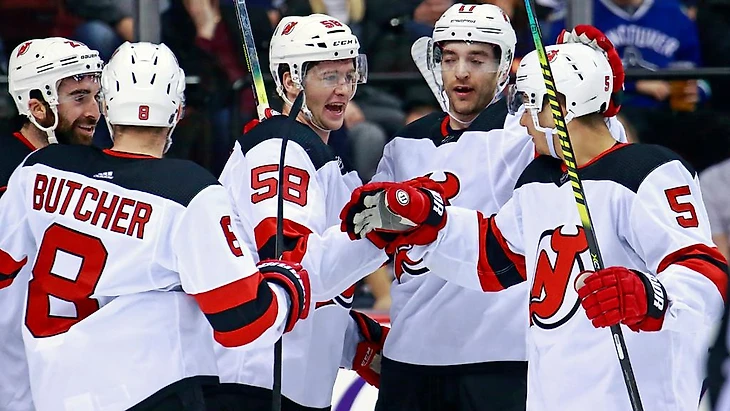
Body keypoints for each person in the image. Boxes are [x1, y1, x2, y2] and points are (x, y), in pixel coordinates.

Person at [343, 41, 727, 410]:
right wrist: (428, 220)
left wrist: (649, 295)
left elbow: (706, 273)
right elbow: (492, 255)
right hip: (554, 394)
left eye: (530, 105)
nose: (524, 120)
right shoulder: (538, 179)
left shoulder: (647, 170)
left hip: (636, 393)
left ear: (564, 105)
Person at [0, 41, 310, 411]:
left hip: (53, 392)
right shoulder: (188, 191)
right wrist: (287, 283)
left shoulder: (38, 169)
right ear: (178, 111)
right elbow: (243, 322)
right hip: (151, 393)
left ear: (106, 105)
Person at [363, 5, 627, 410]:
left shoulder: (526, 132)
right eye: (450, 58)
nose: (461, 72)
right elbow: (369, 238)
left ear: (504, 66)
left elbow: (597, 152)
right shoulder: (403, 143)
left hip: (502, 360)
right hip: (411, 357)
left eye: (477, 60)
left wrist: (596, 93)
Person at [213, 14, 390, 411]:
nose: (343, 88)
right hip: (257, 387)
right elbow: (289, 270)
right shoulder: (280, 150)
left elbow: (315, 297)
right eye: (329, 76)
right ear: (291, 81)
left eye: (349, 75)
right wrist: (386, 225)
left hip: (292, 388)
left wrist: (359, 342)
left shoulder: (318, 157)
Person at [0, 37, 104, 411]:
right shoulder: (6, 170)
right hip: (15, 378)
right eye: (79, 97)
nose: (94, 112)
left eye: (96, 96)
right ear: (37, 106)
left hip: (82, 377)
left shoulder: (99, 167)